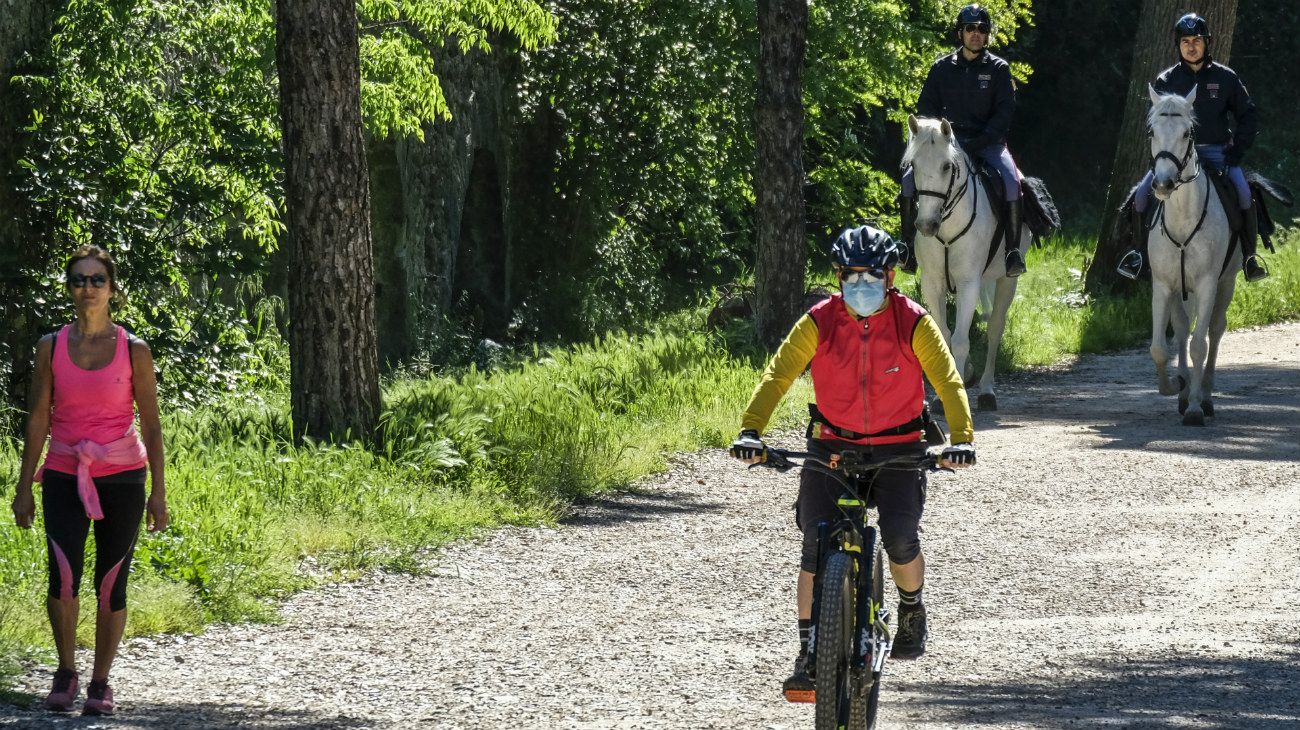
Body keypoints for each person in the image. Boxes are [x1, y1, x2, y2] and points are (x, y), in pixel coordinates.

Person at [729, 225, 975, 698]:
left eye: (872, 274)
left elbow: (947, 381)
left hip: (900, 446)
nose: (860, 284)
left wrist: (960, 439)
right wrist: (751, 430)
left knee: (900, 534)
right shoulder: (820, 320)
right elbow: (779, 375)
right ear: (838, 275)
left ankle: (911, 609)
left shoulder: (914, 320)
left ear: (891, 275)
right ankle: (808, 651)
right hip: (832, 445)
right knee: (814, 545)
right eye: (850, 274)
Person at [10, 245, 168, 716]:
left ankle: (100, 681)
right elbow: (38, 417)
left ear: (112, 289)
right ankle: (65, 670)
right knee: (62, 576)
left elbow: (153, 423)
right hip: (62, 471)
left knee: (111, 581)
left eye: (97, 280)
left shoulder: (133, 349)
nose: (88, 288)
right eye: (79, 280)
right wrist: (23, 487)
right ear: (69, 288)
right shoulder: (51, 346)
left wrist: (158, 492)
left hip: (122, 474)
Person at [1117, 13, 1266, 282]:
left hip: (1218, 153)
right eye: (1185, 41)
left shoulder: (1226, 78)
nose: (1191, 46)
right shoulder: (1165, 81)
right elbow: (1151, 123)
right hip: (1175, 160)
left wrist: (1237, 150)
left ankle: (1250, 259)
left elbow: (1249, 116)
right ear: (1178, 44)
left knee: (1244, 194)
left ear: (1207, 43)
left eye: (1197, 40)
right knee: (1140, 196)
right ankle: (1139, 256)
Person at [899, 3, 1027, 277]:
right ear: (960, 33)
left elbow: (1004, 113)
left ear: (987, 34)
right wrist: (936, 141)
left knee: (1012, 180)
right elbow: (926, 111)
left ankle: (1013, 252)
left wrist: (980, 141)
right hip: (947, 146)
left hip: (989, 144)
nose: (976, 34)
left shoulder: (999, 69)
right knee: (909, 179)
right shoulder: (941, 68)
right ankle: (907, 246)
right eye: (970, 28)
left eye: (982, 29)